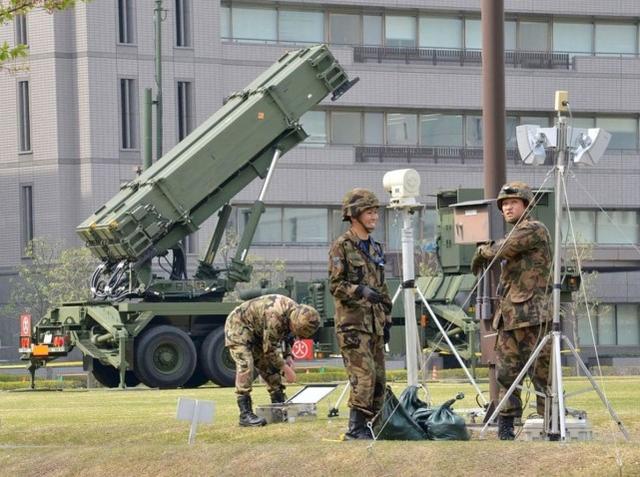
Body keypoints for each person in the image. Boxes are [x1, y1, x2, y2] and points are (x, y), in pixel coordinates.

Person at [471, 181, 552, 440]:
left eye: (513, 203)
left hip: (532, 316)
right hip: (508, 317)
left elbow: (502, 249)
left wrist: (482, 250)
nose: (507, 208)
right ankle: (506, 426)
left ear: (526, 205)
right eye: (504, 204)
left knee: (542, 374)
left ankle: (551, 426)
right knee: (506, 373)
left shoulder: (533, 229)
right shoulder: (514, 232)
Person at [328, 188, 393, 440]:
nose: (374, 216)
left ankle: (372, 427)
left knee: (378, 379)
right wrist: (360, 290)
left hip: (375, 324)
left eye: (376, 211)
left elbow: (383, 286)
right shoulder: (341, 247)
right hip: (353, 325)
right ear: (354, 215)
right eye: (369, 211)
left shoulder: (375, 247)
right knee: (363, 377)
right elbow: (335, 285)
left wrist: (387, 319)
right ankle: (355, 429)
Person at [224, 294, 321, 427]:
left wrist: (288, 357)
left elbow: (287, 336)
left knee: (269, 367)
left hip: (258, 332)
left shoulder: (296, 313)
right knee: (246, 364)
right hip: (239, 326)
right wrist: (286, 370)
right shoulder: (275, 315)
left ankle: (278, 406)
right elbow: (269, 350)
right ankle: (245, 414)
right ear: (294, 323)